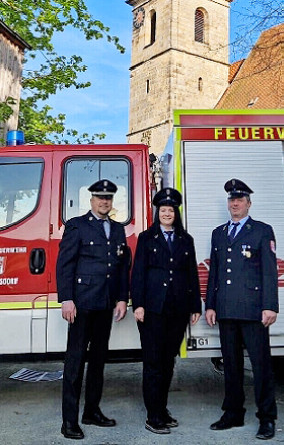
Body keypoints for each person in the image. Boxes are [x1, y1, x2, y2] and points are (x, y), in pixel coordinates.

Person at [204, 178, 279, 440]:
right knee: (232, 366)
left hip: (252, 311)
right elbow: (215, 272)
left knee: (261, 367)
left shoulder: (261, 231)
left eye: (239, 200)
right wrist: (210, 305)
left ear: (248, 203)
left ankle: (267, 418)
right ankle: (233, 413)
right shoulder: (219, 233)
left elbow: (270, 273)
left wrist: (270, 306)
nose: (234, 203)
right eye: (231, 200)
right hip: (225, 310)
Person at [56, 179, 130, 440]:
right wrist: (66, 299)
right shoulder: (77, 226)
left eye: (108, 198)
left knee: (98, 361)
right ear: (92, 200)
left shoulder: (118, 230)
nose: (104, 202)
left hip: (106, 304)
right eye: (100, 198)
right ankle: (69, 422)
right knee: (75, 363)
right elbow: (65, 264)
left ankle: (92, 411)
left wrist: (122, 298)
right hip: (82, 304)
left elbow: (122, 268)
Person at [131, 187, 202, 435]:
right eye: (163, 210)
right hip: (152, 309)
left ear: (176, 213)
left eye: (171, 210)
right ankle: (153, 415)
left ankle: (162, 409)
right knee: (153, 362)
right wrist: (137, 304)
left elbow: (191, 274)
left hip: (178, 309)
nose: (167, 213)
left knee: (168, 361)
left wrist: (195, 305)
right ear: (157, 212)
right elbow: (138, 273)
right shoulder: (146, 238)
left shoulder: (186, 240)